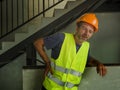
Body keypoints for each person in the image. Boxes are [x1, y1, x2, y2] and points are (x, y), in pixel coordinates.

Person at [34, 13, 107, 90]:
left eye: (90, 31)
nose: (86, 33)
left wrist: (97, 63)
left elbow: (87, 59)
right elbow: (38, 43)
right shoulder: (61, 38)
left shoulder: (86, 46)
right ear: (77, 28)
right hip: (51, 88)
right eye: (84, 28)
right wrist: (47, 63)